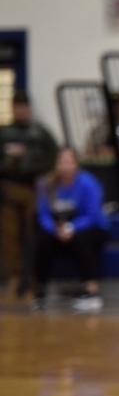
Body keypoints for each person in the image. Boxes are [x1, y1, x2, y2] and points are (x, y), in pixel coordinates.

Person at [33, 147, 109, 311]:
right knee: (42, 239)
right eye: (61, 161)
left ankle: (92, 292)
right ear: (56, 164)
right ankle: (40, 290)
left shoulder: (88, 183)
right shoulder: (47, 184)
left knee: (81, 238)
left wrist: (71, 227)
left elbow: (92, 215)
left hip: (91, 228)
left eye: (69, 161)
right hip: (59, 229)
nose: (65, 165)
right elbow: (43, 215)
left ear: (76, 164)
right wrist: (55, 229)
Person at [0, 91, 58, 298]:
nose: (21, 110)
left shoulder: (40, 133)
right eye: (17, 106)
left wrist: (30, 160)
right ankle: (14, 278)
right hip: (8, 189)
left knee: (32, 235)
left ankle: (32, 278)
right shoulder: (4, 133)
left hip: (34, 188)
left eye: (24, 106)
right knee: (9, 236)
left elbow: (53, 158)